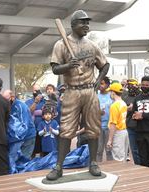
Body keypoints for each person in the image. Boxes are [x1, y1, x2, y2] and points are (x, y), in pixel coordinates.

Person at [46, 9, 109, 180]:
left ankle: (93, 163)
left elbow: (105, 65)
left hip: (89, 90)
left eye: (87, 23)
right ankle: (59, 167)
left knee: (93, 129)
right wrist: (68, 66)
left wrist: (98, 81)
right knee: (66, 130)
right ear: (73, 25)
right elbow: (55, 68)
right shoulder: (61, 44)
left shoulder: (92, 45)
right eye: (83, 22)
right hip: (72, 91)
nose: (86, 25)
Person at [106, 83, 129, 161]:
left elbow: (113, 124)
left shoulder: (114, 105)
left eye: (110, 92)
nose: (109, 94)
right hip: (124, 132)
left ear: (113, 92)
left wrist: (110, 140)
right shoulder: (123, 103)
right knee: (123, 158)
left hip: (118, 133)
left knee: (118, 158)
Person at [124, 78, 141, 164]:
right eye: (129, 85)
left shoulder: (141, 96)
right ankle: (137, 164)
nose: (130, 87)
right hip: (130, 126)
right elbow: (122, 113)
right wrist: (128, 109)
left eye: (132, 85)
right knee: (134, 149)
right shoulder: (126, 98)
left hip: (141, 126)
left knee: (141, 148)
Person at [25, 84, 45, 158]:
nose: (36, 92)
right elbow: (29, 112)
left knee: (43, 149)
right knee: (31, 150)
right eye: (35, 90)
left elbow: (47, 113)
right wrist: (36, 102)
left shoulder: (44, 101)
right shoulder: (28, 101)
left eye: (38, 90)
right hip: (32, 129)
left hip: (43, 128)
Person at [97, 76, 113, 162]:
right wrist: (98, 112)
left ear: (107, 85)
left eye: (102, 83)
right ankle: (97, 168)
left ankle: (111, 169)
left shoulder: (111, 96)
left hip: (109, 127)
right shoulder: (95, 96)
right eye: (99, 83)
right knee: (98, 151)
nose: (100, 85)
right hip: (98, 127)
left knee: (109, 150)